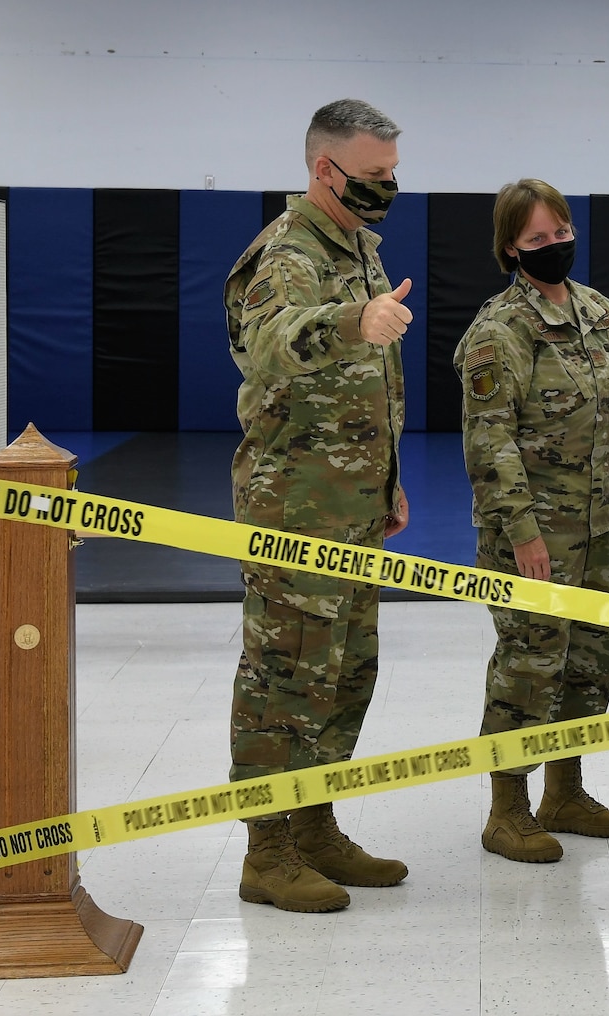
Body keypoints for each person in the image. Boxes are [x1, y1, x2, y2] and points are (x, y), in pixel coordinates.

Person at [223, 98, 414, 913]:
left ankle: (315, 826)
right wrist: (353, 319)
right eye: (374, 177)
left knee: (344, 673)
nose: (387, 190)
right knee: (285, 676)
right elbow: (269, 347)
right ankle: (268, 852)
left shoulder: (358, 246)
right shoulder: (288, 252)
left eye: (393, 177)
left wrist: (387, 478)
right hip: (295, 506)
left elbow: (371, 384)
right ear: (322, 169)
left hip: (353, 501)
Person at [455, 178, 609, 864]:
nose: (554, 246)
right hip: (534, 536)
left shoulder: (602, 316)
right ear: (510, 247)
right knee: (529, 666)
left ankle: (565, 791)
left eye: (561, 233)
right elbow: (490, 442)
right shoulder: (499, 332)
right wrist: (523, 533)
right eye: (538, 239)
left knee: (589, 663)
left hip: (599, 532)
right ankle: (507, 808)